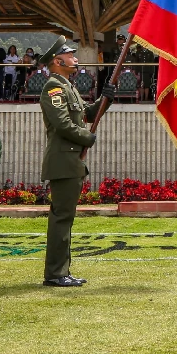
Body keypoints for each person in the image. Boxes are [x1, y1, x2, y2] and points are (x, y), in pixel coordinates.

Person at [38, 35, 109, 287]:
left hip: (70, 161)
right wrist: (87, 137)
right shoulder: (54, 87)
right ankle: (56, 274)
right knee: (62, 219)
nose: (75, 57)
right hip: (63, 160)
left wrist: (105, 99)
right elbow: (63, 124)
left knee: (65, 218)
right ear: (58, 60)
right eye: (69, 54)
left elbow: (87, 113)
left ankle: (61, 272)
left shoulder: (69, 86)